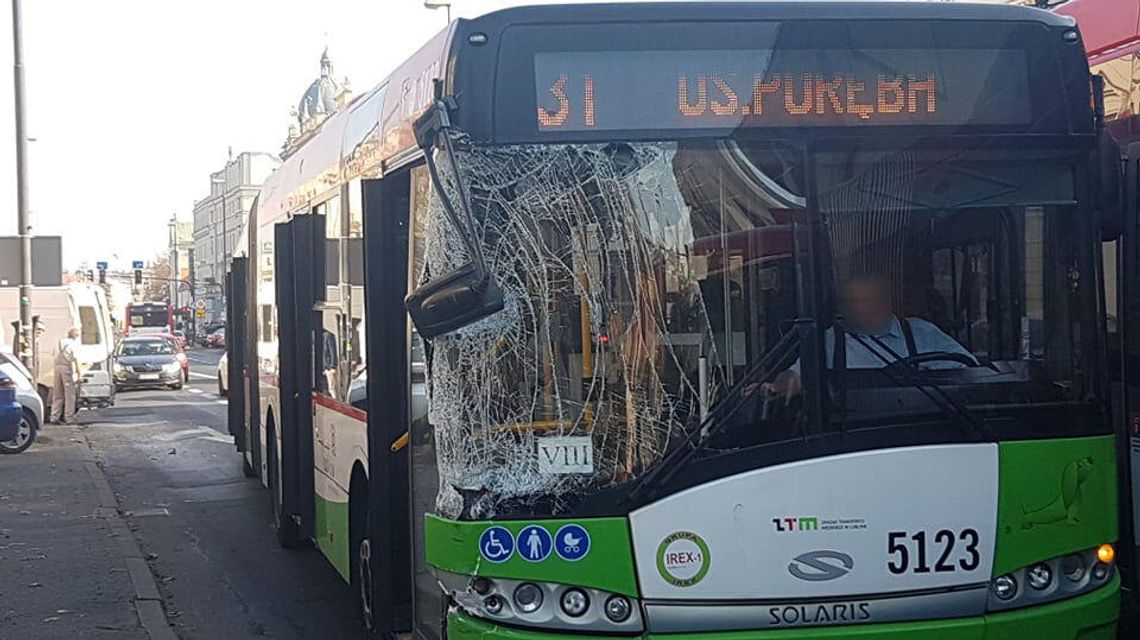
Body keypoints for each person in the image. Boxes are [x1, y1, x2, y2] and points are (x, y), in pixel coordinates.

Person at [764, 274, 974, 398]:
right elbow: (795, 376)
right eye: (849, 302)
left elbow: (970, 372)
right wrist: (779, 385)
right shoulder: (829, 341)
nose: (856, 308)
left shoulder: (921, 333)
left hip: (920, 427)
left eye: (866, 300)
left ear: (886, 302)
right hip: (856, 434)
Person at [50, 327, 82, 424]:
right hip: (66, 368)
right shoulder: (73, 344)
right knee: (69, 394)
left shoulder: (59, 342)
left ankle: (54, 416)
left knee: (57, 393)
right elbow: (77, 360)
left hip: (56, 368)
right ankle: (69, 417)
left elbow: (53, 355)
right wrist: (79, 373)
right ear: (76, 336)